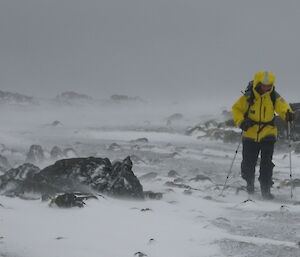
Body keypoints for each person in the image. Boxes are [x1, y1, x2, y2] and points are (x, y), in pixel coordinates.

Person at [232, 71, 294, 199]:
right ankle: (249, 185)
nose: (267, 87)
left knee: (267, 163)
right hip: (250, 133)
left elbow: (283, 107)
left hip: (268, 132)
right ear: (258, 83)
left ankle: (265, 190)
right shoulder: (248, 97)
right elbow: (236, 109)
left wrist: (288, 114)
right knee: (248, 163)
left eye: (269, 85)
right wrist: (241, 122)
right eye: (265, 85)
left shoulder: (274, 96)